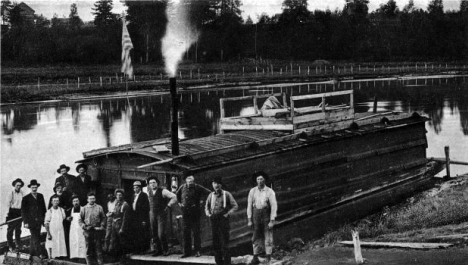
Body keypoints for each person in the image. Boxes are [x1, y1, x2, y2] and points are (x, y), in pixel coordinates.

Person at [205, 176, 238, 265]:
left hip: (223, 220)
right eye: (214, 183)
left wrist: (227, 214)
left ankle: (227, 262)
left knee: (225, 242)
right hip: (214, 220)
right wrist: (208, 214)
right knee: (215, 242)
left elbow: (235, 206)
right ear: (212, 185)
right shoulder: (210, 195)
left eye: (218, 184)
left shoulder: (226, 194)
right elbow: (206, 207)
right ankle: (218, 261)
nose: (216, 185)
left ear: (221, 185)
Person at [176, 175, 211, 258]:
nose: (189, 183)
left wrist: (202, 201)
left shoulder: (197, 187)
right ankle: (187, 252)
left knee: (196, 232)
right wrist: (180, 203)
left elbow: (208, 192)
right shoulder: (182, 187)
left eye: (191, 182)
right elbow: (177, 195)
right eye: (188, 182)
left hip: (195, 212)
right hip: (185, 212)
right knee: (186, 232)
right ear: (186, 182)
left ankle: (197, 251)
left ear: (193, 181)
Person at [247, 172, 278, 265]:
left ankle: (268, 257)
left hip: (266, 216)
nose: (259, 181)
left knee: (267, 235)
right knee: (256, 236)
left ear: (264, 180)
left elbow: (273, 206)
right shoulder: (252, 191)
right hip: (256, 215)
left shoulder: (270, 191)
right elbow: (249, 205)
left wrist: (272, 220)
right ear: (256, 181)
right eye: (258, 179)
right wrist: (249, 219)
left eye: (261, 179)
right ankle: (255, 256)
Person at [147, 176, 177, 256]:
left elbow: (174, 197)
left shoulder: (163, 191)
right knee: (154, 233)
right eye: (150, 183)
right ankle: (158, 250)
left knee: (161, 234)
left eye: (154, 182)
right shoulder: (149, 192)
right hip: (152, 214)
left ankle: (166, 250)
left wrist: (168, 205)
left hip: (161, 214)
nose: (152, 184)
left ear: (157, 183)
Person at [21, 179, 47, 259]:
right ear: (30, 188)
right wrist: (25, 222)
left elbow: (43, 209)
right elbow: (23, 211)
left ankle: (31, 253)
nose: (34, 189)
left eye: (35, 187)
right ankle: (39, 254)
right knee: (36, 237)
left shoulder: (40, 196)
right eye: (33, 188)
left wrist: (44, 220)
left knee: (35, 236)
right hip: (31, 221)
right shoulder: (26, 198)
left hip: (39, 220)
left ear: (37, 187)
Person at [78, 192, 106, 265]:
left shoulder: (99, 207)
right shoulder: (84, 208)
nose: (92, 200)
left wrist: (101, 226)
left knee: (98, 249)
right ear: (87, 200)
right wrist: (85, 226)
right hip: (88, 231)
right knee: (88, 250)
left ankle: (100, 263)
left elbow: (103, 218)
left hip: (97, 231)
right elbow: (80, 220)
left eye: (93, 198)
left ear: (95, 199)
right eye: (90, 199)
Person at [109, 189, 131, 259]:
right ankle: (116, 257)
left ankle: (124, 257)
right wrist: (111, 214)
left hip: (120, 224)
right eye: (117, 195)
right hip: (114, 224)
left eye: (120, 195)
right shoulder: (116, 203)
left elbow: (125, 218)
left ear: (123, 196)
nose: (118, 196)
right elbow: (115, 213)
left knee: (122, 241)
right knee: (114, 240)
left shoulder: (125, 205)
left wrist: (122, 228)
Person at [130, 181, 150, 253]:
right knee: (136, 232)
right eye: (134, 188)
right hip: (135, 216)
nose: (135, 189)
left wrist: (144, 220)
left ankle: (143, 249)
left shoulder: (144, 195)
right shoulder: (133, 196)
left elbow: (146, 208)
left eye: (137, 188)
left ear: (140, 188)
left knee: (142, 233)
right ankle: (137, 249)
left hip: (141, 216)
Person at [5, 178, 24, 252]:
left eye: (20, 185)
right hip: (12, 212)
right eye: (17, 185)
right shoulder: (11, 193)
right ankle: (10, 245)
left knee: (18, 230)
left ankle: (18, 244)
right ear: (14, 185)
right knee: (10, 230)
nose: (18, 187)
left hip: (19, 212)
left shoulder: (22, 193)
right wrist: (7, 215)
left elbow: (24, 204)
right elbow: (7, 204)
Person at [67, 195, 86, 260]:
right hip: (73, 228)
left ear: (79, 201)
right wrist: (68, 218)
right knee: (74, 241)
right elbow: (67, 219)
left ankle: (82, 256)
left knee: (82, 241)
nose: (76, 203)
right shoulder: (70, 210)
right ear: (72, 203)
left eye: (77, 201)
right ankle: (74, 256)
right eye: (74, 201)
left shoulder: (83, 209)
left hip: (81, 228)